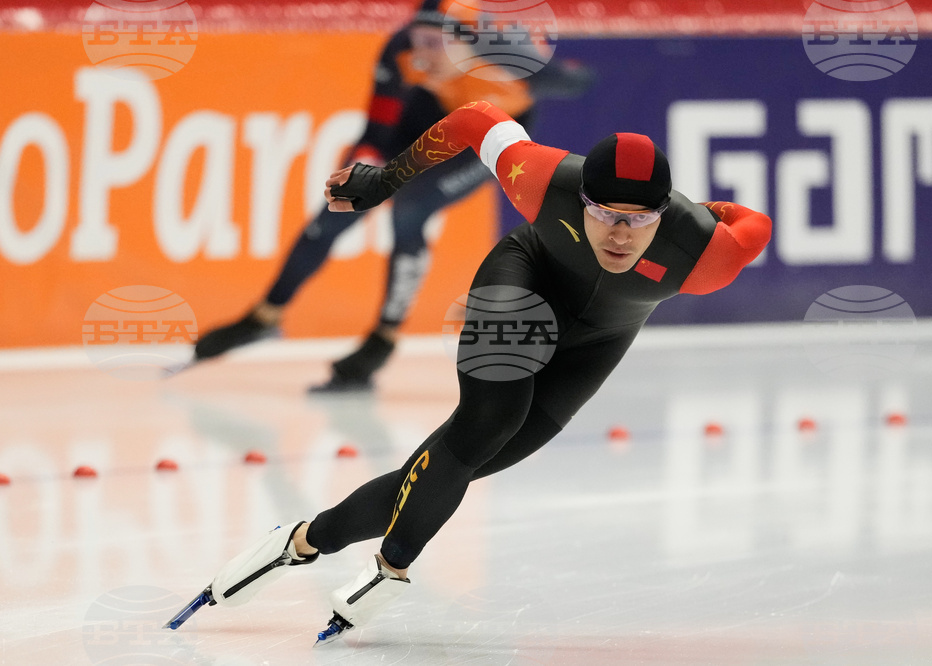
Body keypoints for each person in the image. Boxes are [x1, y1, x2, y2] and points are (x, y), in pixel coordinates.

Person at [167, 100, 771, 644]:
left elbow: (755, 226)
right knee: (490, 419)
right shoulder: (542, 178)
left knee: (456, 465)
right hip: (523, 280)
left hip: (599, 341)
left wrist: (711, 211)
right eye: (605, 213)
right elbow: (474, 118)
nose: (619, 234)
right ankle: (392, 568)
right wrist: (383, 180)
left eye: (640, 220)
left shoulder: (705, 255)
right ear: (580, 199)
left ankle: (299, 543)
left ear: (664, 215)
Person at [192, 0, 592, 392]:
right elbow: (376, 132)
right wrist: (362, 168)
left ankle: (383, 339)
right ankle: (264, 317)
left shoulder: (507, 58)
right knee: (340, 201)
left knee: (411, 209)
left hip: (494, 129)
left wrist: (558, 70)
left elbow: (576, 83)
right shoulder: (401, 49)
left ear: (467, 43)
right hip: (436, 110)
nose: (421, 54)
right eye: (418, 40)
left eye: (434, 45)